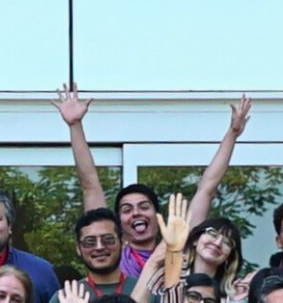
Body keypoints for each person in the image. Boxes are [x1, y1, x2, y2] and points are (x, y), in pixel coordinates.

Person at [57, 86, 248, 277]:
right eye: (126, 210)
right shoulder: (115, 255)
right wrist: (75, 126)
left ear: (158, 216)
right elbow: (90, 185)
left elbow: (207, 189)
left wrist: (232, 133)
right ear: (117, 222)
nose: (136, 213)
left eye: (144, 206)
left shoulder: (177, 248)